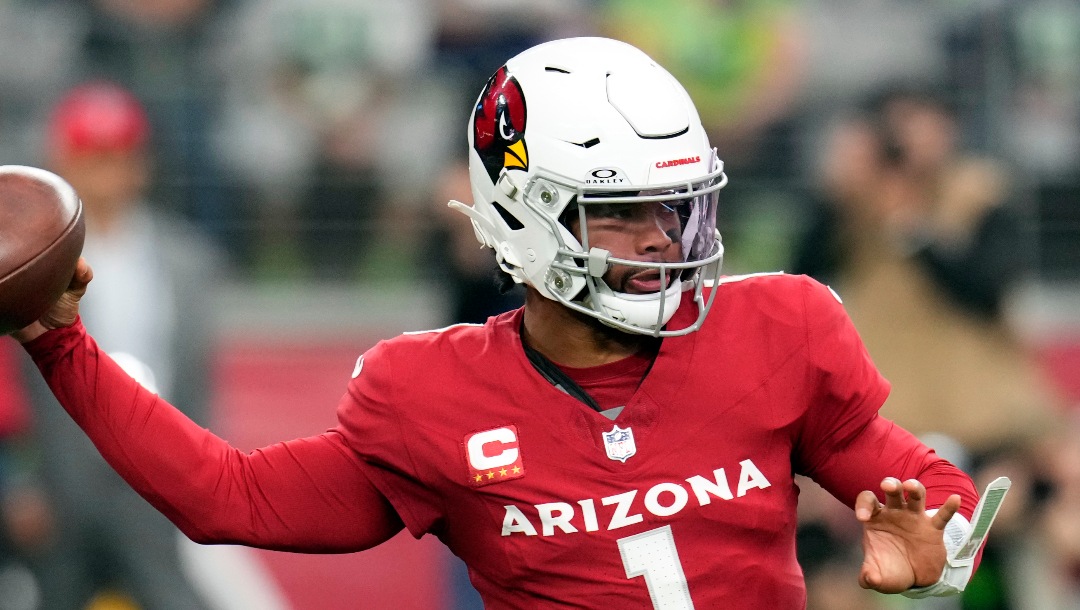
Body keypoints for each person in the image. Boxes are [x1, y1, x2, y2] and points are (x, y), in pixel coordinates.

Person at [10, 38, 993, 608]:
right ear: (522, 209)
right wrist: (62, 342)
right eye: (622, 210)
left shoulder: (781, 326)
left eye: (678, 206)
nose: (663, 238)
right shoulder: (430, 390)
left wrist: (940, 552)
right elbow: (230, 498)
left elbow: (927, 495)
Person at [6, 81, 218, 610]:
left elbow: (194, 376)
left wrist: (203, 468)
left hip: (155, 468)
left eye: (119, 156)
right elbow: (11, 381)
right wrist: (18, 479)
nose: (109, 172)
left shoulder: (184, 259)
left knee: (170, 594)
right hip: (63, 478)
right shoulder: (29, 258)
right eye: (93, 156)